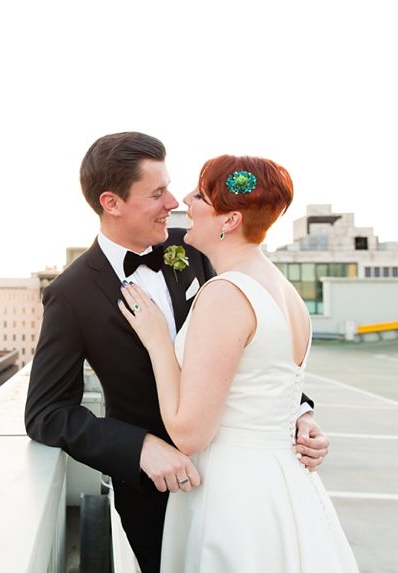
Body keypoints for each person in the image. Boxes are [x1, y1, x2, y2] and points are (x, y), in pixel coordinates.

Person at [25, 132, 331, 572]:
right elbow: (46, 413)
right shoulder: (71, 294)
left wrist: (297, 412)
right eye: (157, 193)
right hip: (153, 492)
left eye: (172, 187)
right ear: (111, 203)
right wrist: (139, 447)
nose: (175, 202)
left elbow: (254, 346)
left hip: (238, 485)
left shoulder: (200, 248)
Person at [118, 154, 358, 571]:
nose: (184, 203)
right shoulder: (286, 293)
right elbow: (268, 383)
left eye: (199, 196)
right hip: (285, 486)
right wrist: (302, 415)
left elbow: (189, 433)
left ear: (228, 221)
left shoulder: (225, 294)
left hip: (233, 495)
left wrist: (158, 341)